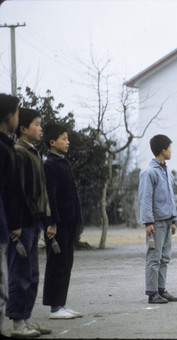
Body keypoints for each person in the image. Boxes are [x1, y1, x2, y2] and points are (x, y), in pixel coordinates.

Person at [7, 108, 52, 337]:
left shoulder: (33, 152)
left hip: (35, 222)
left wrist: (46, 218)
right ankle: (17, 323)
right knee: (20, 272)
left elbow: (40, 192)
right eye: (36, 123)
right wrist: (15, 223)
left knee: (33, 274)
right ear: (23, 129)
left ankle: (26, 319)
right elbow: (16, 192)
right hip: (22, 224)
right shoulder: (18, 152)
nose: (40, 127)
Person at [42, 124, 83, 319]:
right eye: (64, 138)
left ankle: (61, 304)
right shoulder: (49, 164)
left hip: (69, 223)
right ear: (52, 142)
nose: (68, 142)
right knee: (56, 264)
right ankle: (54, 307)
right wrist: (52, 222)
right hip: (57, 224)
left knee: (66, 263)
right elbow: (50, 197)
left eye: (67, 138)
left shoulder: (62, 162)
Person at [139, 134, 177, 304]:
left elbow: (170, 197)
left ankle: (161, 289)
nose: (171, 151)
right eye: (170, 148)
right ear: (163, 150)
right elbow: (145, 199)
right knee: (154, 258)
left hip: (167, 220)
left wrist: (173, 219)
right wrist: (148, 222)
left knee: (165, 257)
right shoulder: (149, 172)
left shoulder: (166, 171)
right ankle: (152, 292)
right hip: (155, 223)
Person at [0, 94, 20, 335]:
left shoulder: (7, 145)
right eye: (16, 112)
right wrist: (14, 223)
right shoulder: (5, 149)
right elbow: (8, 192)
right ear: (9, 116)